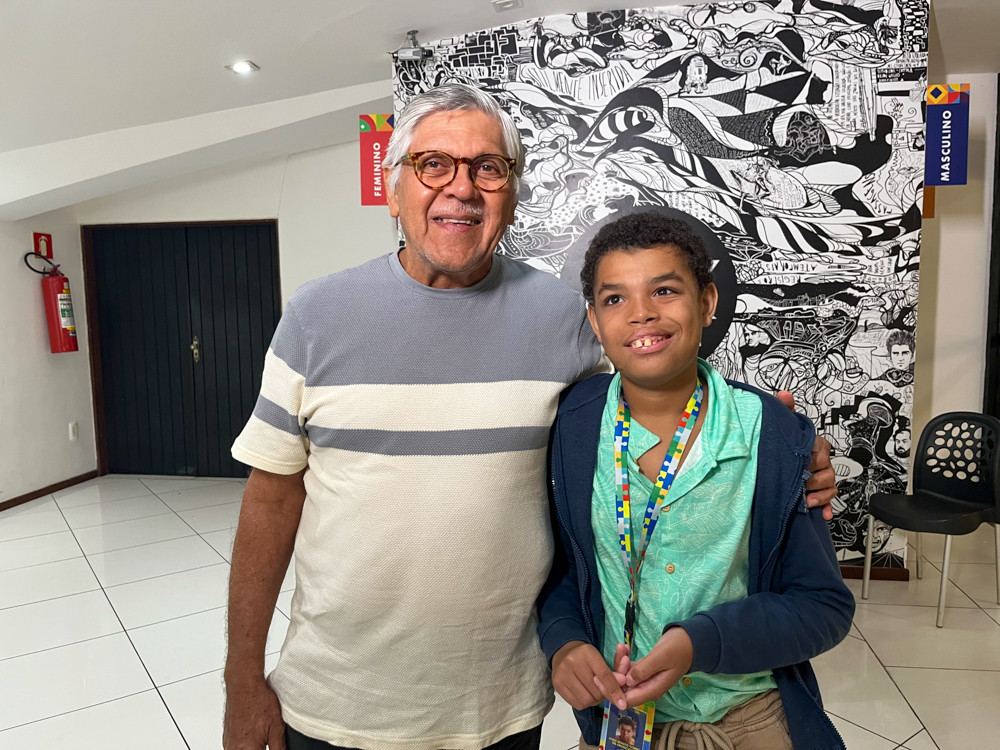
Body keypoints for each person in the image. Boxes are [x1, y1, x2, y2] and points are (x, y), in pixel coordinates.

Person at [222, 84, 838, 750]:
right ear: (393, 188)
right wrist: (241, 679)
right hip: (337, 702)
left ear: (512, 196)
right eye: (434, 164)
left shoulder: (563, 318)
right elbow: (270, 501)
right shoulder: (316, 316)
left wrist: (780, 442)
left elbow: (653, 389)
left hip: (500, 708)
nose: (462, 188)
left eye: (487, 167)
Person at [538, 213, 854, 750]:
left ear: (707, 302)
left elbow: (823, 605)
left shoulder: (771, 435)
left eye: (664, 290)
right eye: (615, 298)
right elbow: (563, 569)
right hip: (622, 716)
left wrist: (698, 643)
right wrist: (563, 640)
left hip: (750, 714)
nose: (641, 313)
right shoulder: (571, 426)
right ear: (594, 319)